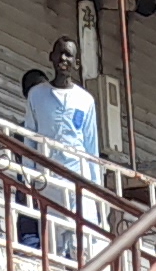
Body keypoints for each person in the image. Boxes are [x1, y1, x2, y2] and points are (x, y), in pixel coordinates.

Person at [18, 36, 104, 259]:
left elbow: (91, 147)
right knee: (53, 244)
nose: (64, 59)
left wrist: (96, 188)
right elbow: (30, 137)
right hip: (49, 180)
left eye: (69, 55)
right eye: (60, 53)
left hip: (78, 179)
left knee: (82, 243)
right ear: (51, 57)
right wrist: (30, 176)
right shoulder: (37, 95)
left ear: (76, 63)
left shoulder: (85, 100)